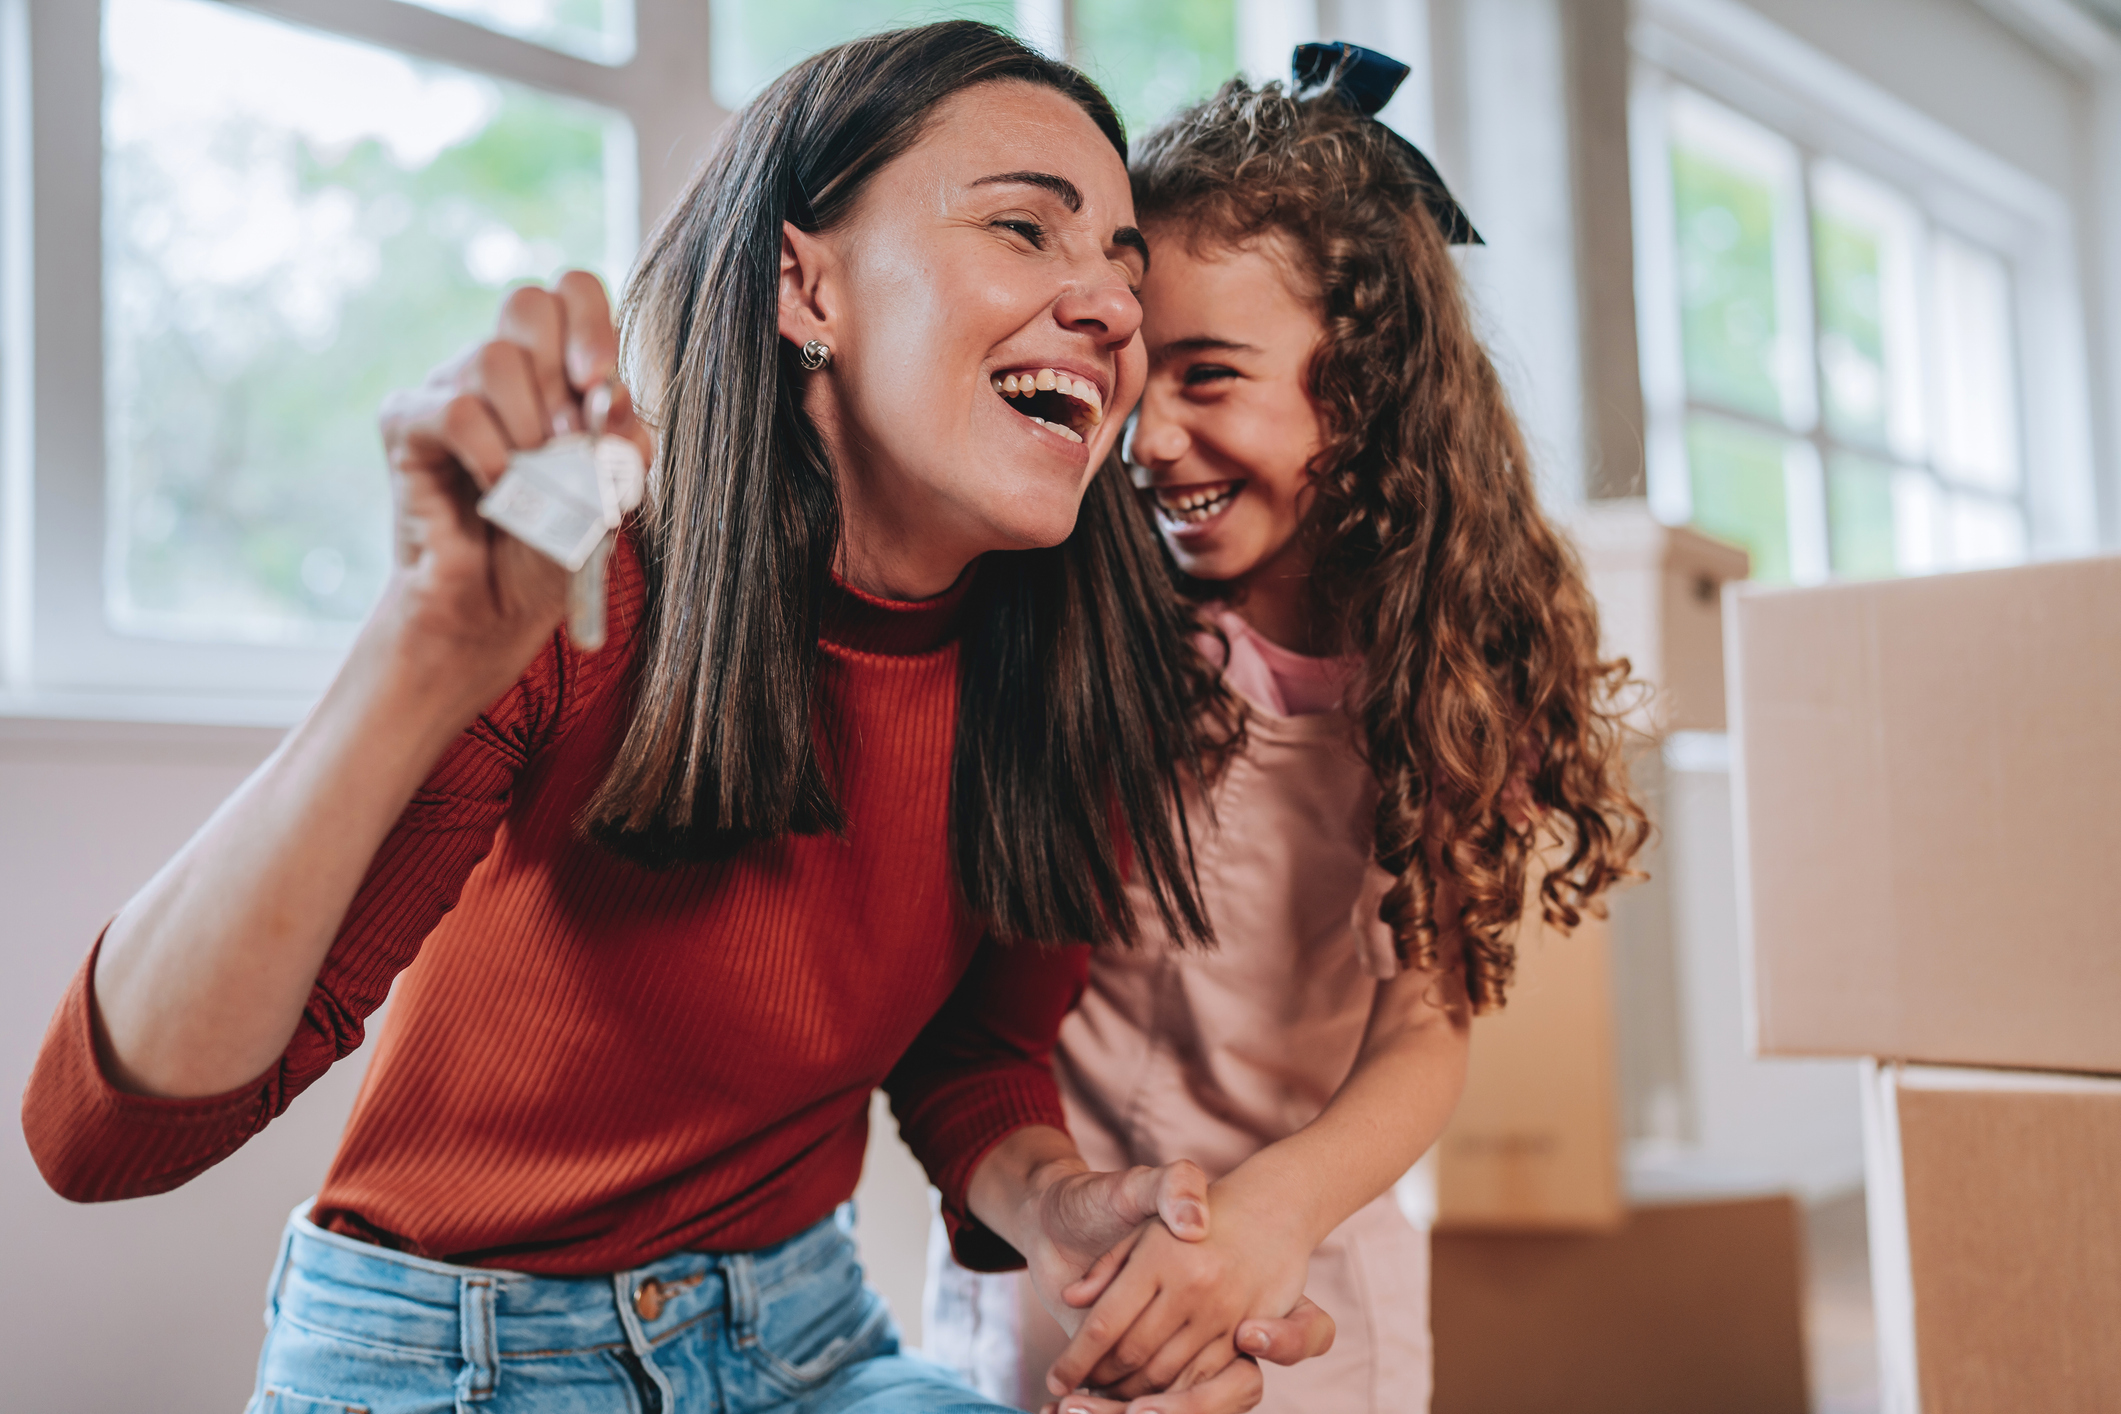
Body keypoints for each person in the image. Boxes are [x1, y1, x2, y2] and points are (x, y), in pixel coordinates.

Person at [19, 24, 1332, 1414]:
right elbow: (99, 1136)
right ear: (798, 284)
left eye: (1125, 269)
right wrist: (416, 659)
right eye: (1025, 229)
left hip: (804, 1334)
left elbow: (973, 1055)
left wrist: (1063, 1201)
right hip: (454, 1358)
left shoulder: (1076, 665)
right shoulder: (577, 607)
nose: (1114, 310)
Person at [924, 47, 1650, 1414]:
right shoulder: (1083, 617)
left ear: (1364, 389)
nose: (1149, 443)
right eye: (1135, 382)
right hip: (1054, 1258)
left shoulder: (1446, 673)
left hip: (1300, 1267)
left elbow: (1426, 1022)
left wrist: (1267, 1214)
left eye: (1210, 377)